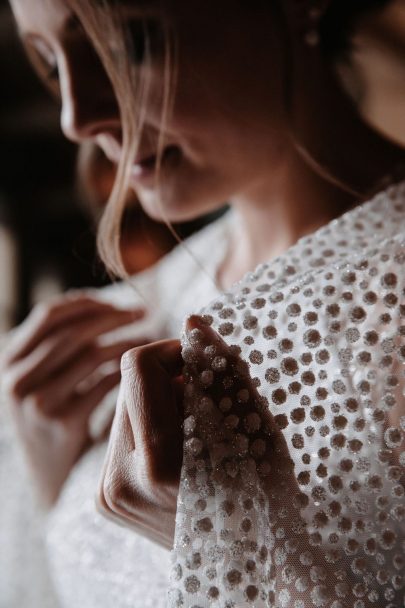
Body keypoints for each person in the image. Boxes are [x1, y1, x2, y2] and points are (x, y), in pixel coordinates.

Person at [3, 0, 405, 606]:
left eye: (131, 44)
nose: (76, 118)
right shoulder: (143, 307)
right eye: (53, 65)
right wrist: (50, 477)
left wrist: (242, 562)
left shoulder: (389, 303)